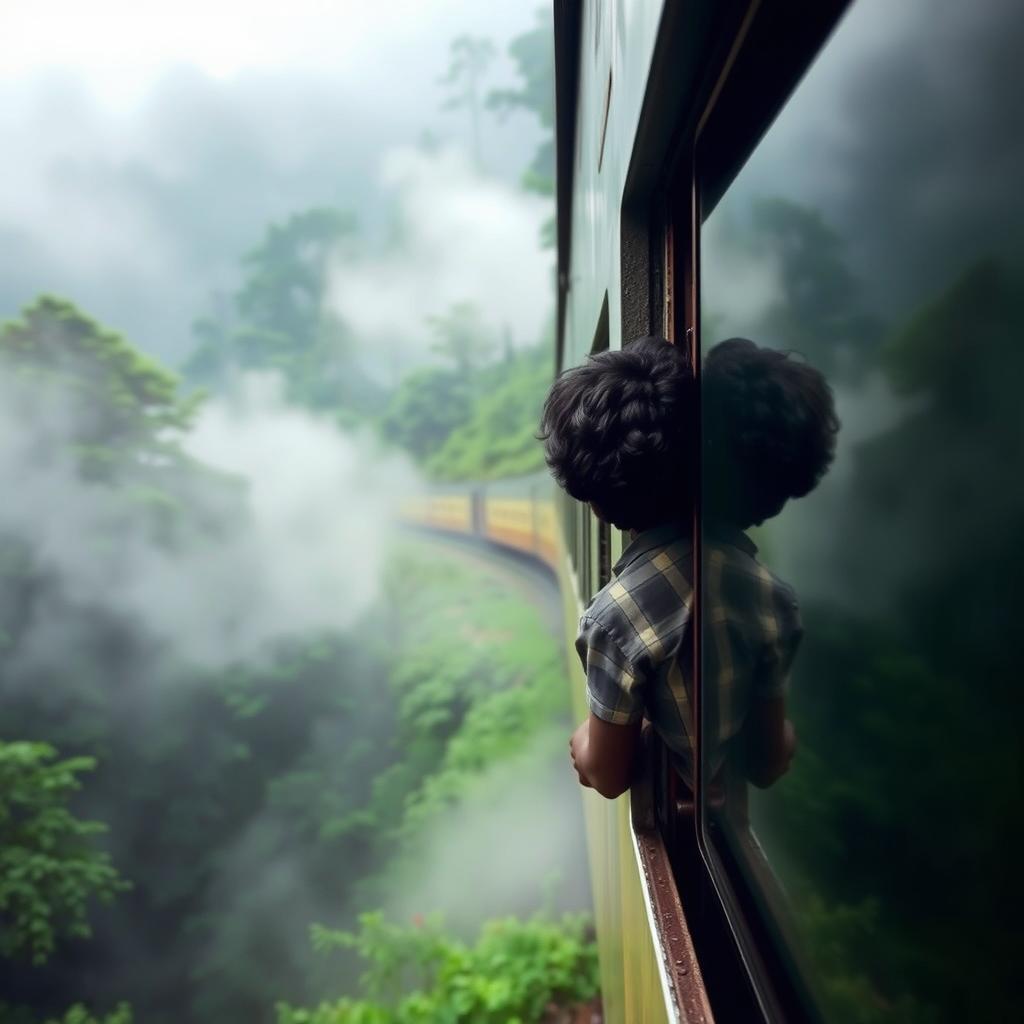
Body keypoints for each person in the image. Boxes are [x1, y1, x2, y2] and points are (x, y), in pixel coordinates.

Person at [539, 335, 837, 799]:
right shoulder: (771, 595)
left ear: (596, 504)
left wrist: (583, 744)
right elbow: (767, 761)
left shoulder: (613, 617)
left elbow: (607, 774)